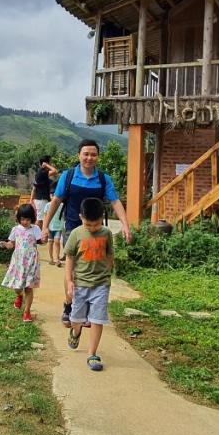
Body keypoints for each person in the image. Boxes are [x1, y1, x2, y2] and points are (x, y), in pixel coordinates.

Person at [39, 139, 131, 325]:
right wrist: (45, 226)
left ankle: (86, 308)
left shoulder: (104, 179)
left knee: (91, 270)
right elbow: (56, 201)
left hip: (96, 232)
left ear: (98, 156)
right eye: (86, 154)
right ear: (79, 155)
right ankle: (69, 303)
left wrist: (126, 226)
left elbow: (115, 202)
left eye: (93, 154)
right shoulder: (69, 175)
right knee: (72, 269)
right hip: (73, 228)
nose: (89, 158)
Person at [63, 197, 114, 371]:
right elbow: (69, 257)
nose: (92, 228)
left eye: (96, 224)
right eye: (88, 225)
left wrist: (108, 272)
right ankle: (76, 332)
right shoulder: (76, 233)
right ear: (81, 217)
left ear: (102, 218)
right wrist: (69, 281)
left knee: (97, 319)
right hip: (81, 284)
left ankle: (92, 354)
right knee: (76, 319)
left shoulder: (106, 233)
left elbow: (110, 254)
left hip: (101, 284)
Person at [0, 204, 42, 323]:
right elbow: (11, 244)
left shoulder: (35, 229)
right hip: (18, 262)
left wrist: (45, 237)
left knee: (29, 287)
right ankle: (19, 295)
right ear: (19, 218)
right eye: (23, 219)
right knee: (17, 287)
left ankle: (27, 312)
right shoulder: (15, 229)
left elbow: (41, 241)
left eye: (28, 219)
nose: (25, 222)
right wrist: (5, 244)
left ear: (32, 219)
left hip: (31, 262)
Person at [31, 156, 56, 223]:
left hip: (41, 199)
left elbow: (34, 188)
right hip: (41, 199)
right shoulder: (42, 172)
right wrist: (46, 165)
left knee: (42, 218)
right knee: (40, 219)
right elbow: (55, 171)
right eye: (50, 162)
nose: (51, 164)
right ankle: (37, 233)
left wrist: (31, 200)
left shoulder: (41, 173)